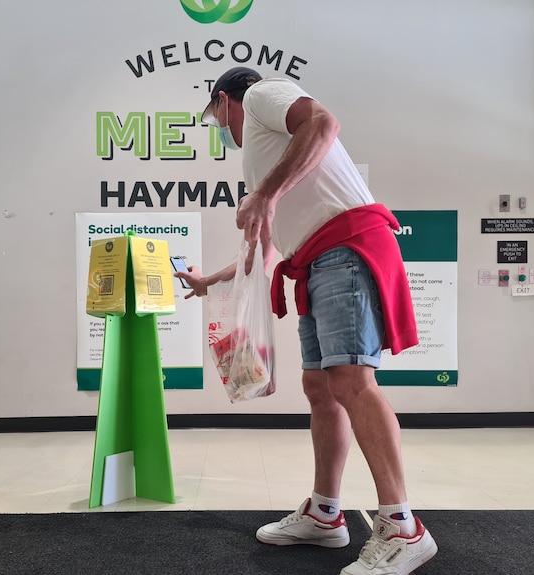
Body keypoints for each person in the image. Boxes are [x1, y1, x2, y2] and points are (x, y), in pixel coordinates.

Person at [175, 66, 437, 575]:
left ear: (225, 99)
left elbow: (322, 122)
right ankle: (325, 514)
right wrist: (210, 283)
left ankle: (404, 528)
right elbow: (267, 250)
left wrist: (267, 193)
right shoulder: (265, 161)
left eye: (214, 116)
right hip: (316, 259)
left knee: (351, 381)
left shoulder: (259, 98)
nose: (220, 128)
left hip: (345, 248)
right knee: (320, 386)